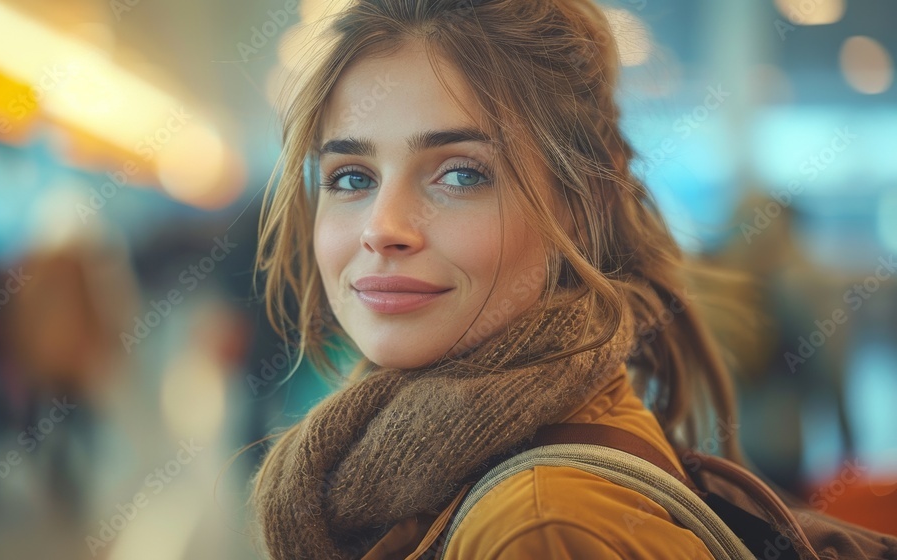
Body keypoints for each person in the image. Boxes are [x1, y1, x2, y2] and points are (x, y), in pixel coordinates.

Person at [248, 0, 744, 558]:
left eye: (461, 174)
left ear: (582, 203)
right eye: (352, 177)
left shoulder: (541, 529)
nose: (382, 229)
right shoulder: (420, 465)